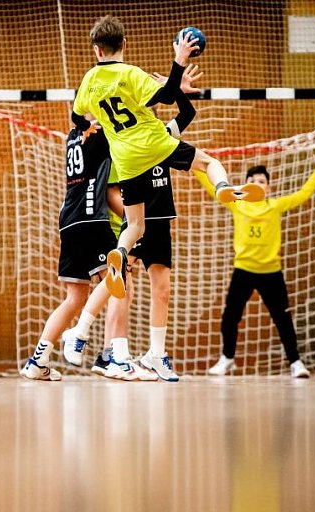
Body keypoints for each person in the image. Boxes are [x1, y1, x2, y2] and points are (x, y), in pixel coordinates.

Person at [69, 15, 260, 303]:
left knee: (134, 226)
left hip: (126, 158)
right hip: (154, 142)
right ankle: (223, 188)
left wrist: (88, 128)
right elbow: (169, 98)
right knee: (208, 163)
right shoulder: (132, 74)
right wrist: (179, 60)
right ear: (125, 43)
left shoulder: (88, 80)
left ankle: (118, 256)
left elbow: (75, 115)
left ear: (96, 50)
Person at [89, 65, 202, 382]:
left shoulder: (164, 135)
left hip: (161, 220)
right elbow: (111, 188)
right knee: (118, 280)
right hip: (137, 221)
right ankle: (89, 334)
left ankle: (156, 355)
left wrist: (175, 84)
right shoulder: (124, 143)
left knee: (162, 290)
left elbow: (189, 110)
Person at [197, 147, 315, 379]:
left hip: (271, 272)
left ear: (268, 187)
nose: (257, 184)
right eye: (252, 181)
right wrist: (196, 164)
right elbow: (212, 187)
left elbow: (303, 193)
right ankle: (227, 358)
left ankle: (296, 362)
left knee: (282, 318)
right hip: (243, 271)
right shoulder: (237, 203)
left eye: (262, 181)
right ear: (246, 185)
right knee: (230, 316)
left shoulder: (275, 206)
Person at [19, 120, 118, 380]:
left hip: (68, 220)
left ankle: (37, 361)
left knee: (75, 299)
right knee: (119, 275)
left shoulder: (73, 135)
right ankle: (91, 340)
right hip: (91, 218)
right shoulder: (99, 131)